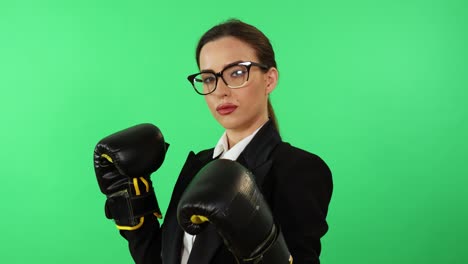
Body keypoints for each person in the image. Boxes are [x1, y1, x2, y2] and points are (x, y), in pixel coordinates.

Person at [93, 19, 333, 264]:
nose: (220, 90)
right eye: (209, 78)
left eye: (237, 73)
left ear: (269, 80)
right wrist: (132, 207)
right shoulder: (199, 166)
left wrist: (263, 249)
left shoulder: (299, 170)